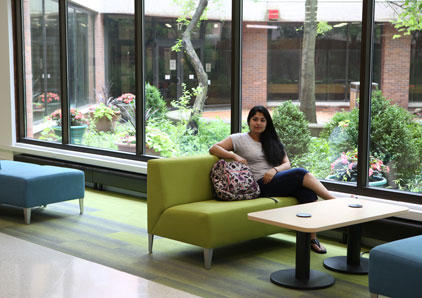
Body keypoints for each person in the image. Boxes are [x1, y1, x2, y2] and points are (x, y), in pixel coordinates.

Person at [209, 105, 336, 254]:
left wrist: (274, 170)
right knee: (300, 173)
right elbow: (214, 148)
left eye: (262, 120)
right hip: (258, 185)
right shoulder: (239, 139)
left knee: (307, 193)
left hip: (274, 179)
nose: (258, 123)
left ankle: (312, 238)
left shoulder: (273, 140)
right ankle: (333, 201)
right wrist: (235, 156)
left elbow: (286, 164)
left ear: (267, 123)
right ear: (249, 121)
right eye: (255, 119)